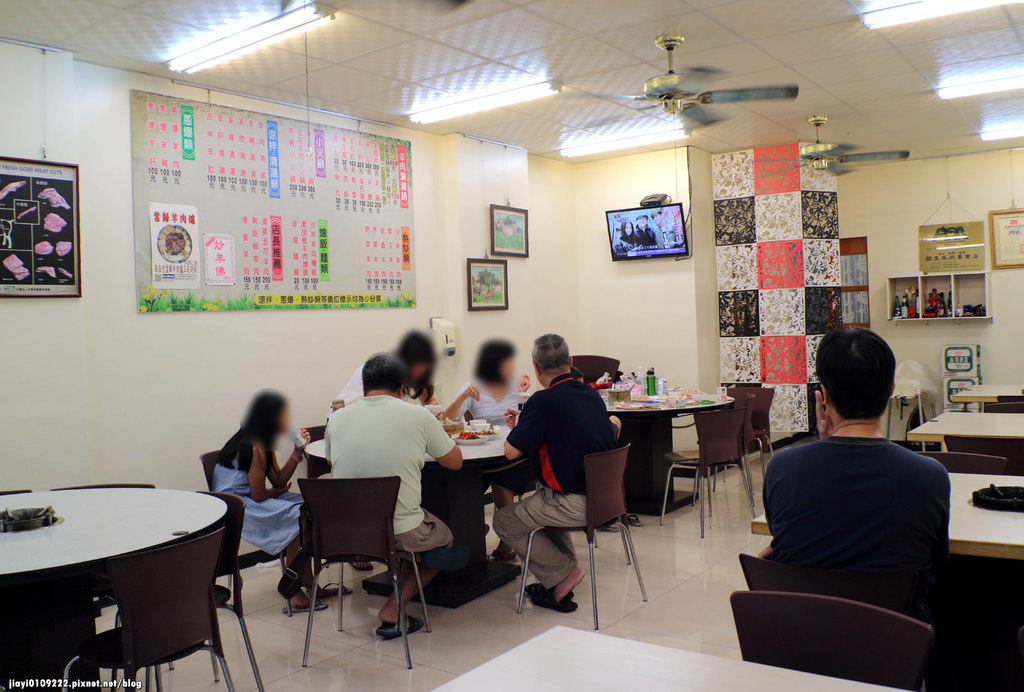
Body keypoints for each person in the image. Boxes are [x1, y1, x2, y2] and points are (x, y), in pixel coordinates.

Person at [762, 327, 950, 623]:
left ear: (823, 395)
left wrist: (826, 444)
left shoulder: (781, 467)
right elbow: (938, 562)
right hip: (898, 649)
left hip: (801, 643)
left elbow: (791, 537)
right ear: (891, 390)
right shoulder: (930, 476)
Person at [326, 353, 467, 639]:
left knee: (410, 523)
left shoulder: (336, 419)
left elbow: (333, 463)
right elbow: (455, 462)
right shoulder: (418, 415)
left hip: (344, 533)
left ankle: (399, 572)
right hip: (399, 530)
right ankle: (394, 605)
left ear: (363, 387)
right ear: (402, 387)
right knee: (445, 539)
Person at [494, 334, 621, 613]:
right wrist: (527, 422)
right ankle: (563, 573)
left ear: (536, 369)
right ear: (571, 362)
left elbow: (511, 452)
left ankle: (562, 574)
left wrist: (521, 424)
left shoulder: (542, 401)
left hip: (572, 502)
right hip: (607, 499)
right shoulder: (590, 393)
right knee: (543, 501)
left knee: (505, 521)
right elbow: (568, 428)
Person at [213, 391, 339, 613]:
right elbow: (260, 495)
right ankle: (292, 590)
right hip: (238, 506)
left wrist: (297, 452)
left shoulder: (263, 443)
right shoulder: (254, 448)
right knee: (297, 516)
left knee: (309, 507)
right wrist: (277, 491)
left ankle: (307, 581)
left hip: (252, 498)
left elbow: (279, 479)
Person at [444, 339, 533, 561]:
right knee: (493, 474)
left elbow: (526, 414)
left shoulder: (515, 385)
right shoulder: (474, 386)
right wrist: (463, 397)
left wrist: (523, 394)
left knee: (501, 473)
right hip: (485, 447)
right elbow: (448, 418)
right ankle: (474, 529)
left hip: (512, 445)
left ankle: (504, 537)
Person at [329, 331, 438, 416]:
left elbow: (428, 399)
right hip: (348, 421)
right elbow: (381, 411)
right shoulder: (385, 373)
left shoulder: (414, 376)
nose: (421, 372)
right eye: (418, 366)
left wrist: (432, 407)